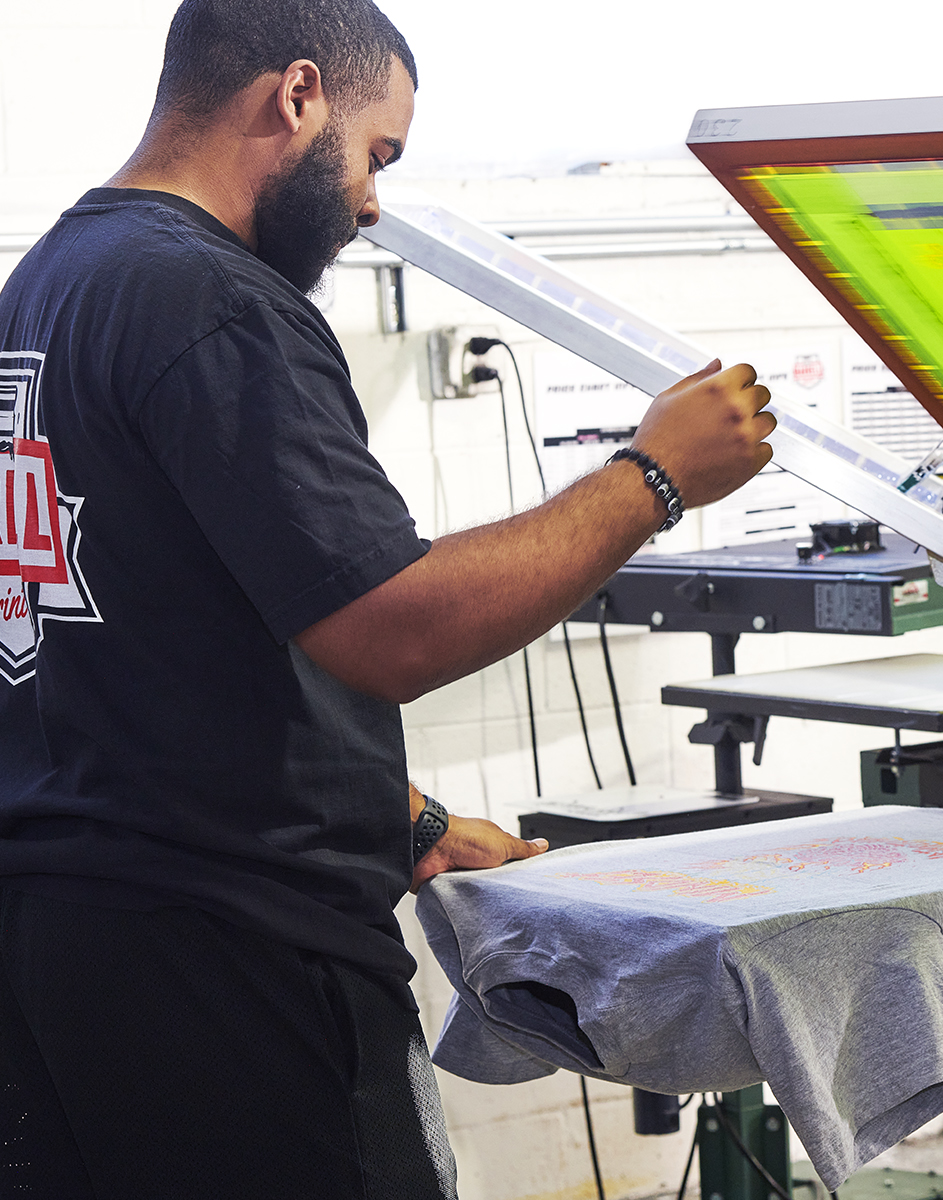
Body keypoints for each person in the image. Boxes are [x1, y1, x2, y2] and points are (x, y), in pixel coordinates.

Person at [0, 1, 774, 1196]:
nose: (370, 203)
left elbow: (142, 640)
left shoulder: (51, 285)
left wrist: (399, 818)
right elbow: (390, 623)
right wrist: (654, 476)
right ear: (297, 95)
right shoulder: (216, 303)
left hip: (62, 954)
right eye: (379, 155)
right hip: (234, 963)